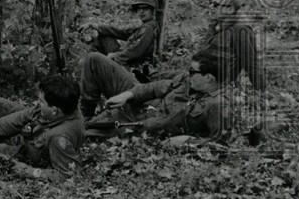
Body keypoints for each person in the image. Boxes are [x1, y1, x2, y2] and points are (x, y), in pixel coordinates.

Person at [0, 74, 84, 179]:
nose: (37, 103)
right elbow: (21, 117)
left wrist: (29, 171)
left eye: (41, 102)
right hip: (27, 132)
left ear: (54, 110)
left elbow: (67, 175)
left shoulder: (59, 138)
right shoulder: (64, 105)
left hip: (25, 150)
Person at [98, 50, 232, 142]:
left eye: (192, 71)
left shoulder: (218, 105)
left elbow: (219, 145)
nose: (188, 74)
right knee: (96, 60)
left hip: (148, 129)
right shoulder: (190, 81)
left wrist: (188, 141)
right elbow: (156, 87)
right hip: (146, 110)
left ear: (208, 78)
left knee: (92, 131)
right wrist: (127, 95)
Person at [196, 0, 264, 90]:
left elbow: (251, 65)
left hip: (215, 85)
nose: (211, 7)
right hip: (202, 77)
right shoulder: (219, 23)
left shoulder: (241, 31)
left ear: (230, 9)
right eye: (211, 3)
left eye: (216, 4)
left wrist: (262, 94)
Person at [84, 0, 157, 73]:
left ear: (152, 10)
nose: (141, 12)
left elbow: (136, 51)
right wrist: (97, 26)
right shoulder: (144, 26)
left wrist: (116, 56)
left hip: (131, 66)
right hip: (125, 58)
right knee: (104, 35)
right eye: (139, 9)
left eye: (145, 9)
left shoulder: (148, 28)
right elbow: (122, 32)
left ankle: (95, 65)